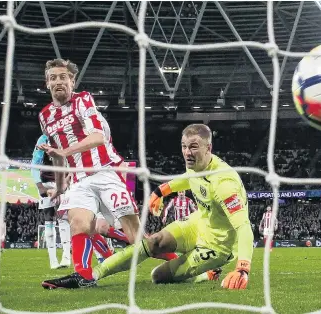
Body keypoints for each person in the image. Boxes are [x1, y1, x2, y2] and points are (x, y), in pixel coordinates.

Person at [37, 58, 175, 289]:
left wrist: (65, 150)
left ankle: (184, 261)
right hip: (79, 180)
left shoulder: (83, 100)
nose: (58, 81)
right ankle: (83, 276)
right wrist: (60, 186)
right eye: (53, 78)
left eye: (63, 77)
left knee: (136, 238)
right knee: (79, 223)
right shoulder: (45, 116)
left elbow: (98, 137)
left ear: (72, 81)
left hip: (107, 172)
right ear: (47, 84)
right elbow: (56, 155)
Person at [89, 124, 254, 290]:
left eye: (194, 147)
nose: (187, 152)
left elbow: (244, 226)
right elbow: (187, 178)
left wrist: (242, 268)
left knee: (158, 276)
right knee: (154, 241)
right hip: (198, 223)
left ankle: (207, 274)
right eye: (184, 146)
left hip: (218, 245)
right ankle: (92, 275)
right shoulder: (196, 164)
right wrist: (159, 191)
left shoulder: (224, 184)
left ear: (208, 148)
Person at [32, 134, 71, 269]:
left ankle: (66, 257)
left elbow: (72, 167)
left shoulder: (67, 136)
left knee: (63, 217)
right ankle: (53, 261)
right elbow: (34, 165)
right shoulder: (42, 139)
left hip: (62, 182)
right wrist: (41, 187)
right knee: (49, 219)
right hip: (46, 184)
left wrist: (64, 185)